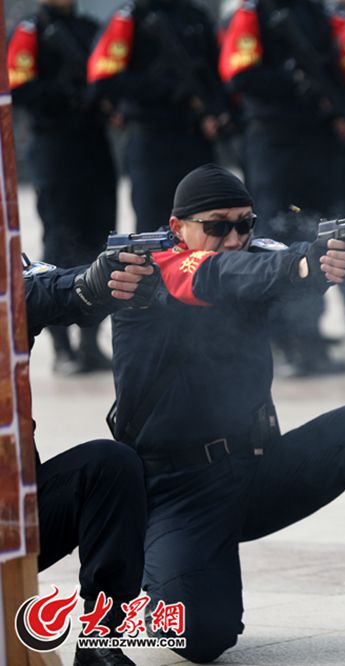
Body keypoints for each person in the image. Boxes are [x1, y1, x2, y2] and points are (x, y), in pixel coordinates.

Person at [109, 164, 345, 662]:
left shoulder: (252, 256)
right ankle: (153, 566)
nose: (234, 239)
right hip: (179, 491)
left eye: (245, 224)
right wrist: (301, 267)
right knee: (200, 636)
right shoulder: (148, 271)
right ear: (177, 226)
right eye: (218, 226)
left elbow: (277, 266)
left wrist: (319, 261)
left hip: (252, 470)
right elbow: (222, 274)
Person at [25, 250, 159, 666]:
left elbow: (39, 290)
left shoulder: (10, 285)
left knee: (110, 466)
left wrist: (98, 283)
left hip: (14, 516)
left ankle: (102, 640)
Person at [219, 0, 345, 374]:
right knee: (278, 239)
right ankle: (286, 341)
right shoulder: (254, 13)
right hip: (274, 142)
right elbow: (239, 74)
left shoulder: (315, 12)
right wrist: (292, 82)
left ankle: (309, 335)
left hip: (315, 141)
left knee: (316, 237)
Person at [8, 0, 118, 373]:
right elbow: (18, 83)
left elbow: (107, 73)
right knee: (60, 240)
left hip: (94, 148)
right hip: (55, 149)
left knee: (99, 241)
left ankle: (89, 343)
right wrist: (66, 95)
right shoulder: (31, 31)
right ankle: (61, 349)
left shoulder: (88, 29)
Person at [88, 0, 228, 233]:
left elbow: (217, 73)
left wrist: (217, 112)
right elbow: (103, 79)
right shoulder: (130, 17)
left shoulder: (195, 16)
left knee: (207, 225)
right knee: (154, 229)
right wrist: (169, 90)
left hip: (195, 137)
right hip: (152, 139)